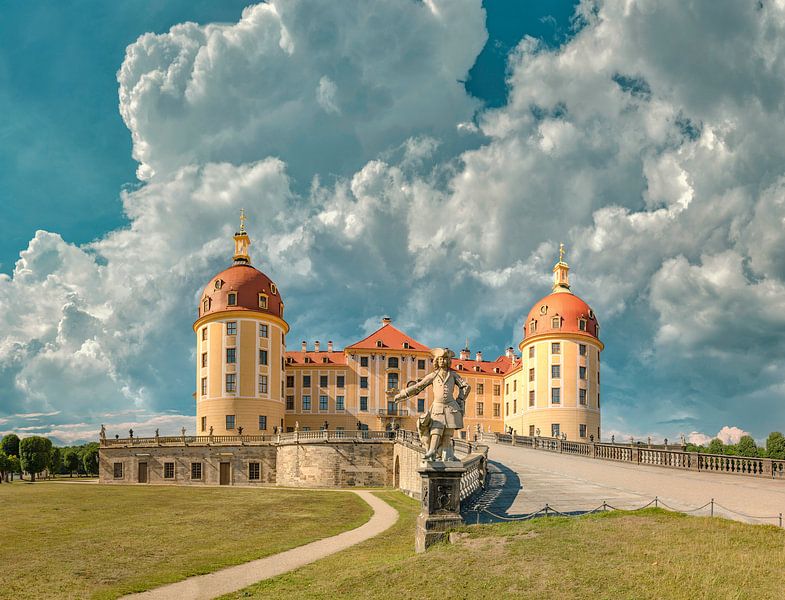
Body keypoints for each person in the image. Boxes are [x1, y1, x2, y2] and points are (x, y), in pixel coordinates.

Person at [393, 347, 470, 461]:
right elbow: (418, 387)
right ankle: (432, 450)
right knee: (436, 429)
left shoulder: (453, 375)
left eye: (445, 359)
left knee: (448, 433)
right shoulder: (433, 375)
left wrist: (460, 399)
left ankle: (446, 454)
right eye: (440, 359)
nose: (443, 361)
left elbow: (466, 386)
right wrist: (402, 394)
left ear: (449, 361)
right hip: (438, 406)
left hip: (451, 407)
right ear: (437, 362)